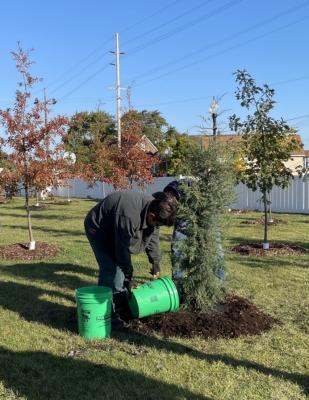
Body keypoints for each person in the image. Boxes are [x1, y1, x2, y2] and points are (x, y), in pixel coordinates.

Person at [84, 190, 176, 326]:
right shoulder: (128, 216)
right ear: (151, 215)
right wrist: (127, 272)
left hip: (117, 225)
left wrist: (155, 261)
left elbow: (153, 237)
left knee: (121, 273)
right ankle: (107, 312)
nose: (157, 227)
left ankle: (122, 304)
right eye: (157, 224)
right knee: (111, 268)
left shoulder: (156, 207)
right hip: (99, 228)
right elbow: (121, 250)